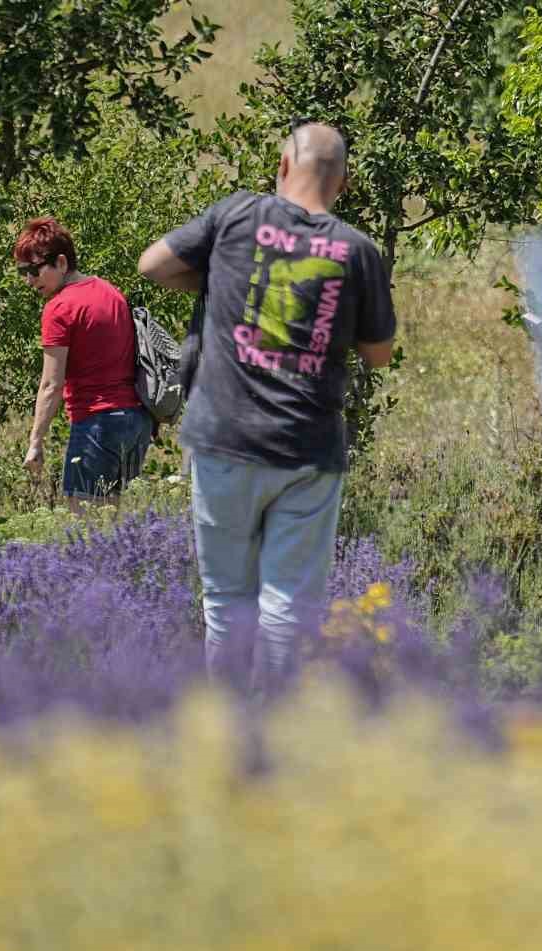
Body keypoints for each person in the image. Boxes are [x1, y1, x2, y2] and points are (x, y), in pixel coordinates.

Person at [138, 123, 396, 693]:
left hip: (223, 436)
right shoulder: (357, 252)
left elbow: (152, 264)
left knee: (227, 598)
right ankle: (275, 723)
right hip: (307, 450)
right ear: (343, 184)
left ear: (283, 165)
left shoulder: (236, 215)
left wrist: (223, 280)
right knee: (288, 604)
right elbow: (379, 355)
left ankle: (228, 729)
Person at [15, 217, 153, 507]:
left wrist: (35, 442)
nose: (29, 280)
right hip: (134, 422)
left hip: (97, 424)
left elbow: (51, 384)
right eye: (23, 272)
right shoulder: (110, 291)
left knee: (84, 533)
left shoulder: (59, 308)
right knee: (112, 530)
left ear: (62, 263)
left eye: (34, 270)